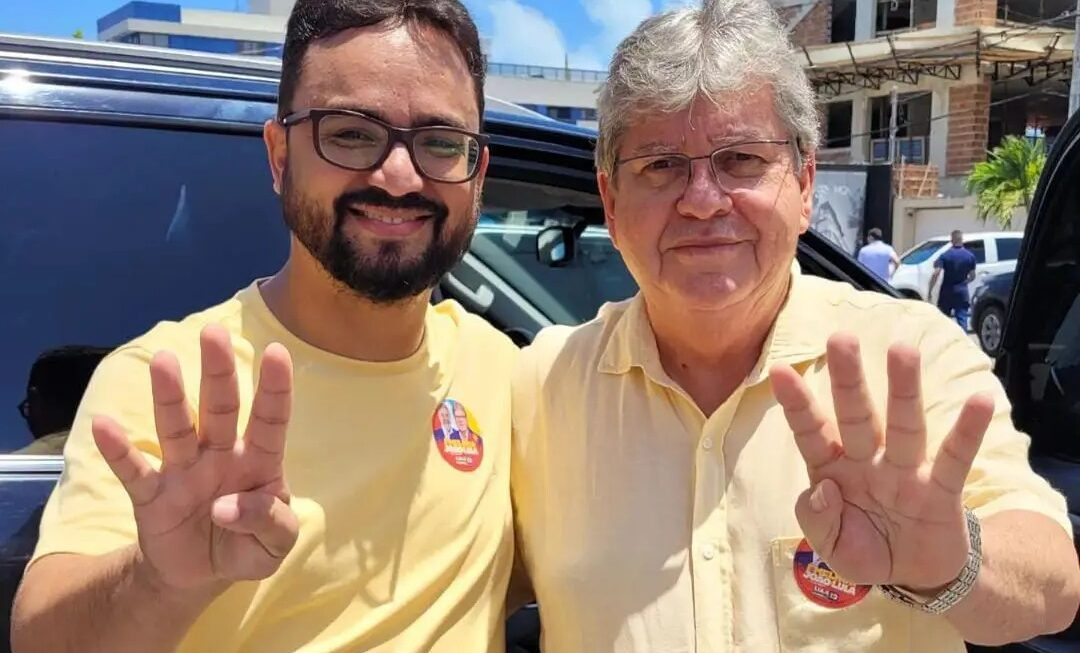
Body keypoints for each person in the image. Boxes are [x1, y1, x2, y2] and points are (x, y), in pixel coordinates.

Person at [509, 1, 1080, 651]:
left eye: (741, 159)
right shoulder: (541, 386)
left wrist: (950, 565)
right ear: (611, 204)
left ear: (805, 184)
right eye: (661, 166)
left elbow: (1053, 586)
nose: (702, 201)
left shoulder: (909, 356)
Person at [11, 2, 519, 652]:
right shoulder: (167, 380)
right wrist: (159, 582)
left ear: (478, 173)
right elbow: (41, 637)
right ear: (279, 156)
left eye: (441, 142)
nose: (398, 176)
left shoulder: (508, 375)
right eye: (351, 133)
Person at [929, 229, 978, 330]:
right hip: (962, 291)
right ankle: (962, 338)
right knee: (962, 319)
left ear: (952, 240)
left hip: (947, 291)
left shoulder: (945, 255)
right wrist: (965, 282)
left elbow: (936, 272)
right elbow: (973, 276)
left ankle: (945, 338)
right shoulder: (970, 256)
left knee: (943, 319)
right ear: (962, 240)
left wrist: (930, 290)